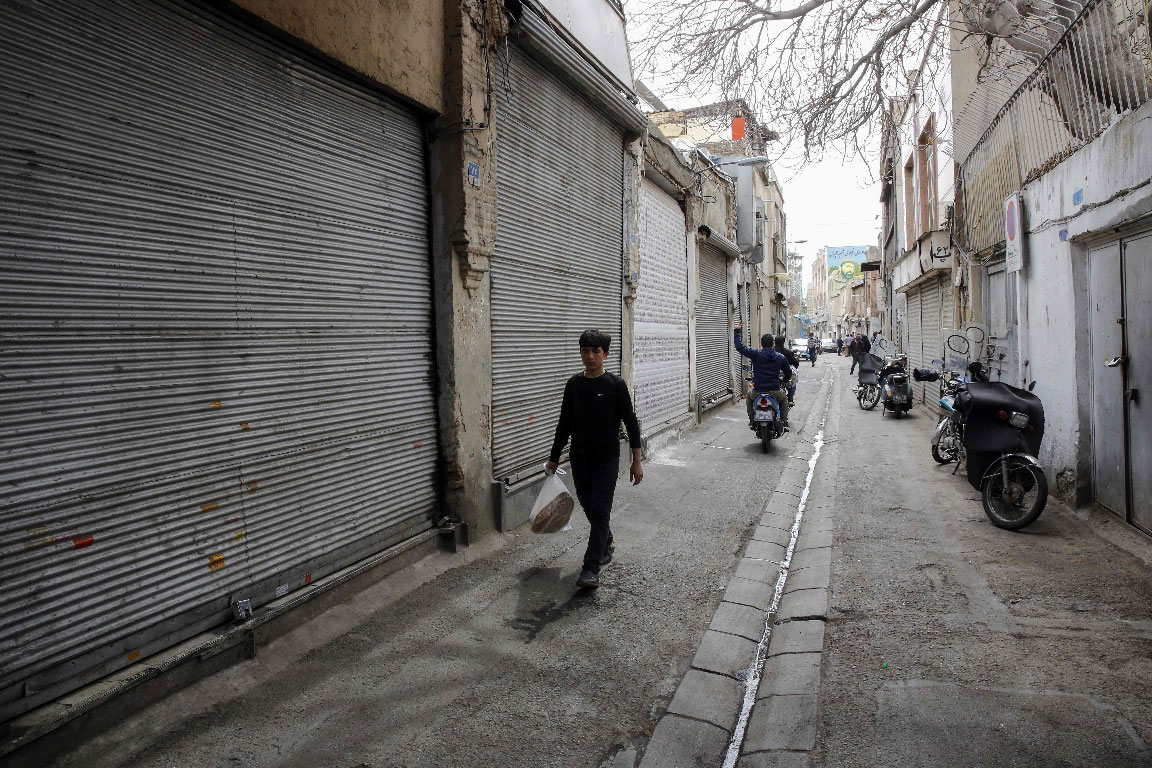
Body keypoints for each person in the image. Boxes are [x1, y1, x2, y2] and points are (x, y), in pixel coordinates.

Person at [546, 329, 642, 590]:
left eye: (595, 352)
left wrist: (636, 460)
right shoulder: (574, 384)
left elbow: (631, 424)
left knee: (600, 510)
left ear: (605, 354)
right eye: (585, 351)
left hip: (607, 459)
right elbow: (564, 423)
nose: (590, 356)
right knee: (590, 508)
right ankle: (607, 540)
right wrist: (554, 458)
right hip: (580, 458)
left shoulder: (615, 385)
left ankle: (590, 569)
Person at [734, 321, 790, 428]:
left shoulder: (756, 354)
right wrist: (785, 380)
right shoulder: (780, 357)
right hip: (775, 391)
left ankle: (751, 420)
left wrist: (737, 331)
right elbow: (788, 372)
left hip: (758, 391)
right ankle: (784, 422)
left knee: (749, 398)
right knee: (784, 399)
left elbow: (740, 347)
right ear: (773, 344)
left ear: (761, 343)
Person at [774, 334, 800, 406]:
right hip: (785, 375)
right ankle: (790, 399)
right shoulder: (788, 352)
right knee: (792, 384)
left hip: (773, 375)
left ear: (774, 342)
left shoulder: (771, 352)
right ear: (783, 342)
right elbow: (795, 364)